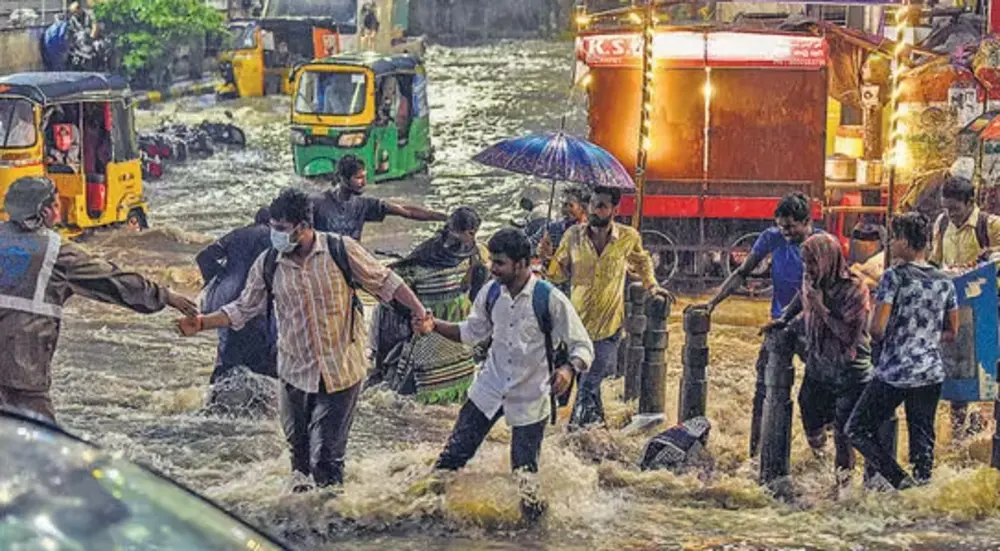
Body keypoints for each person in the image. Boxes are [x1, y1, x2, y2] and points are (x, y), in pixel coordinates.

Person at [177, 188, 427, 490]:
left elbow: (387, 282)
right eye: (273, 227)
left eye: (281, 229)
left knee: (327, 460)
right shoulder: (269, 262)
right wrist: (202, 322)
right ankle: (300, 521)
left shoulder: (340, 250)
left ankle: (332, 521)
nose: (274, 234)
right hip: (295, 372)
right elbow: (243, 308)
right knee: (299, 463)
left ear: (303, 227)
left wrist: (419, 312)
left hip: (341, 371)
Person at [413, 228, 593, 521]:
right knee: (451, 458)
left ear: (521, 264)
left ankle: (534, 536)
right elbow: (471, 332)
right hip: (489, 389)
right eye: (492, 262)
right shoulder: (492, 292)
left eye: (499, 263)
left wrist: (568, 369)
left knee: (525, 477)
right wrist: (434, 326)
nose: (492, 269)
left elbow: (583, 345)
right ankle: (425, 514)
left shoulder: (550, 299)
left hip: (530, 396)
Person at [0, 177, 198, 422]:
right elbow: (112, 279)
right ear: (44, 211)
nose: (60, 207)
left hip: (19, 369)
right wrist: (164, 295)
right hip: (22, 372)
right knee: (44, 448)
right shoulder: (56, 251)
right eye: (56, 203)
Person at [698, 191, 819, 456]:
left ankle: (822, 455)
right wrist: (712, 303)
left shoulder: (819, 245)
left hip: (811, 328)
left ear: (807, 221)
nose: (785, 232)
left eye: (790, 227)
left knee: (817, 395)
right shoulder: (771, 238)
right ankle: (757, 453)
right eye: (781, 226)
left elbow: (819, 290)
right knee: (763, 391)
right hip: (777, 326)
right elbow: (742, 272)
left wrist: (794, 318)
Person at [846, 212, 959, 490]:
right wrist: (923, 339)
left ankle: (899, 482)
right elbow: (951, 331)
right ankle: (922, 495)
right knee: (923, 447)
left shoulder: (894, 277)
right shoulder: (945, 281)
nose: (892, 243)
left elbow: (877, 329)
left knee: (856, 429)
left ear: (907, 241)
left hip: (895, 372)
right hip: (930, 373)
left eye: (895, 237)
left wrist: (899, 338)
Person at [547, 185, 668, 427]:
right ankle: (599, 433)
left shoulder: (628, 237)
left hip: (608, 328)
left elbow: (642, 262)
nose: (595, 210)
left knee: (588, 384)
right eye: (592, 204)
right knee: (587, 387)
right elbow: (556, 276)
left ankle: (572, 439)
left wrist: (652, 286)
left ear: (614, 209)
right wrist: (549, 258)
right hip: (577, 327)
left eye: (601, 205)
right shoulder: (573, 236)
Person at [764, 233, 872, 482]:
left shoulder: (855, 289)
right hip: (819, 365)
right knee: (810, 416)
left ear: (827, 261)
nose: (807, 269)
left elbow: (849, 336)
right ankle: (821, 464)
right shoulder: (811, 278)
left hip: (849, 370)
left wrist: (822, 309)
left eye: (812, 263)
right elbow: (802, 297)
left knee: (844, 438)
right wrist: (784, 319)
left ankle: (841, 492)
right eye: (805, 263)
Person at [369, 206, 490, 403]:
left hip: (445, 327)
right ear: (468, 232)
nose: (474, 237)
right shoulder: (462, 254)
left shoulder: (471, 254)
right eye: (472, 233)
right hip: (438, 327)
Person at [929, 176, 1000, 439]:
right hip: (957, 311)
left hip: (988, 311)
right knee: (959, 376)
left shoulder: (989, 226)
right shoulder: (942, 223)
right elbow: (935, 261)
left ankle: (991, 435)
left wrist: (990, 255)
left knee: (990, 374)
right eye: (946, 208)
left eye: (955, 209)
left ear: (970, 202)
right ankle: (958, 438)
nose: (951, 214)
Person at [195, 207, 276, 385]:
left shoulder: (237, 235)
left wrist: (219, 278)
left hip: (228, 306)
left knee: (225, 362)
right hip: (261, 308)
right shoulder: (275, 239)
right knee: (267, 368)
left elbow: (203, 257)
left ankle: (212, 402)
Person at [311, 154, 446, 242]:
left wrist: (444, 217)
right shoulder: (318, 203)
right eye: (358, 178)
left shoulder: (364, 205)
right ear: (342, 178)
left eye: (365, 177)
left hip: (353, 262)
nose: (364, 183)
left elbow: (406, 211)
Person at [534, 185, 591, 260]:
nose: (566, 209)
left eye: (571, 205)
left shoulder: (589, 232)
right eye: (564, 205)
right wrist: (539, 249)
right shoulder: (552, 228)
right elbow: (531, 243)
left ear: (582, 208)